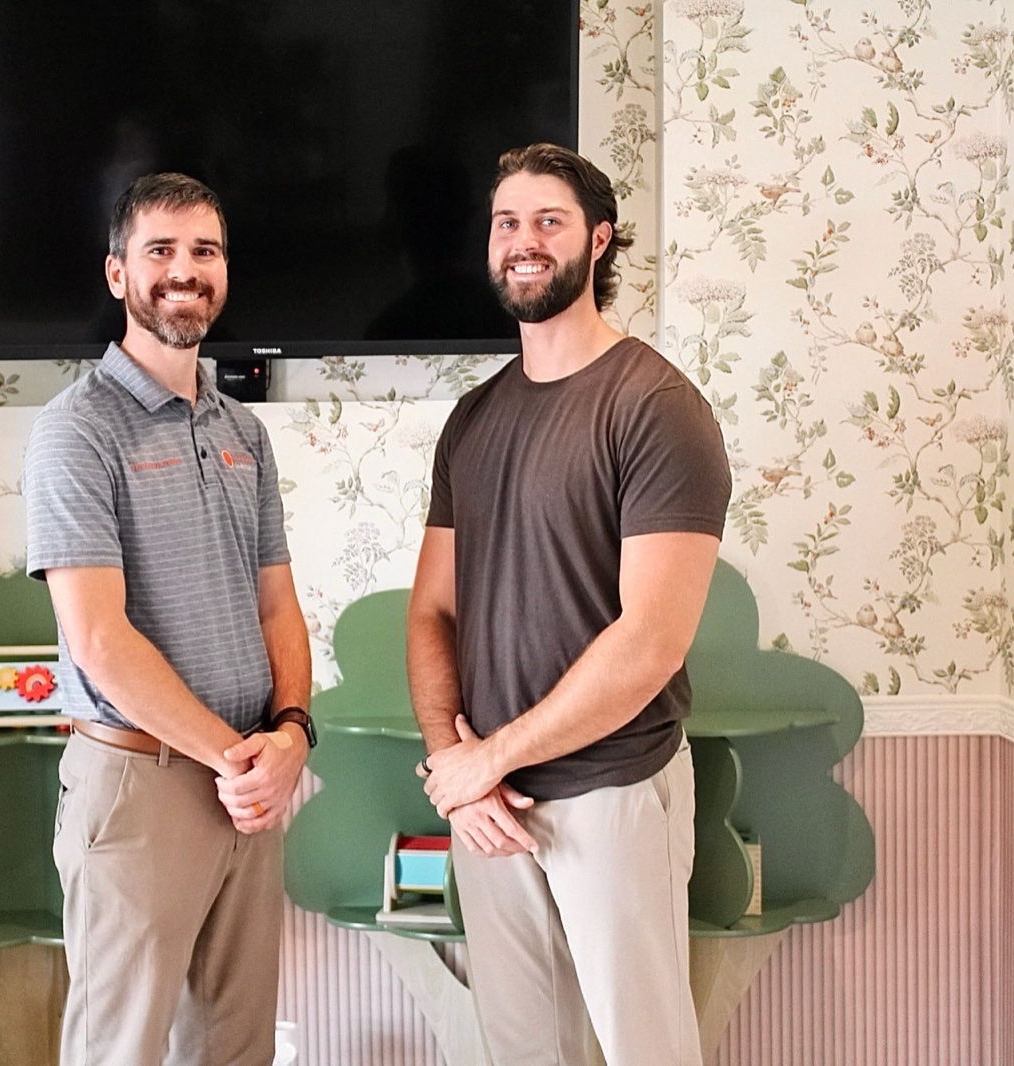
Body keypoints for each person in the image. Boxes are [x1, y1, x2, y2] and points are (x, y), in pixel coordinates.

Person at [407, 144, 732, 1066]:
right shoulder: (474, 418)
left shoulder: (655, 405)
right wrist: (453, 763)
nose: (522, 241)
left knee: (647, 1051)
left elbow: (651, 642)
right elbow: (433, 611)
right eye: (506, 222)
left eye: (548, 220)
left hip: (613, 792)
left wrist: (486, 760)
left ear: (599, 240)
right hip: (492, 808)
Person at [24, 172, 314, 1066]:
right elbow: (100, 642)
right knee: (122, 1051)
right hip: (142, 785)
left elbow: (278, 603)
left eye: (205, 252)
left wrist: (294, 734)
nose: (184, 271)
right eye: (160, 250)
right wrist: (236, 758)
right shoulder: (76, 432)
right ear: (117, 274)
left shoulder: (241, 430)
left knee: (236, 1050)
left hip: (248, 788)